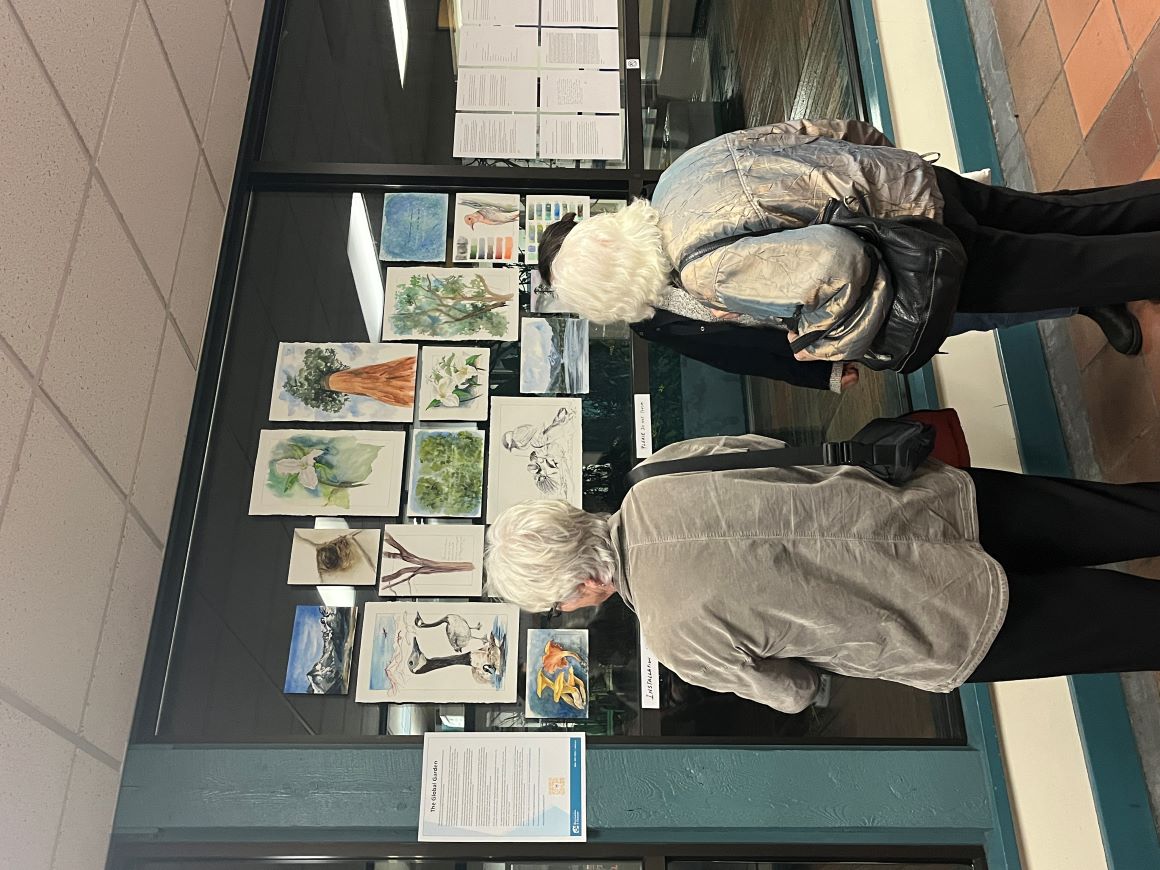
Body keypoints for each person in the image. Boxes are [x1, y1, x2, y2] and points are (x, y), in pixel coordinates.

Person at [484, 434, 1160, 713]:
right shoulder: (659, 470)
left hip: (938, 618)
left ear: (580, 587)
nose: (571, 612)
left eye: (560, 604)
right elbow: (782, 454)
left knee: (1131, 625)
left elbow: (795, 693)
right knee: (1125, 512)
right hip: (930, 506)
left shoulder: (675, 639)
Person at [535, 119, 1151, 374]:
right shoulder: (675, 179)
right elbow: (811, 130)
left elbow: (838, 262)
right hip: (909, 182)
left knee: (1077, 269)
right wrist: (878, 159)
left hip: (923, 247)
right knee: (1065, 216)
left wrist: (822, 344)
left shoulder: (702, 274)